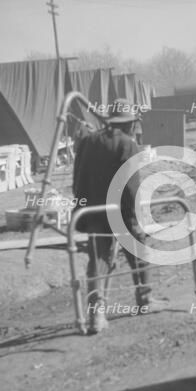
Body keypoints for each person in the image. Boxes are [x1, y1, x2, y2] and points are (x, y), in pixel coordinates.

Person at [73, 98, 163, 334]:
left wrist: (81, 206)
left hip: (92, 210)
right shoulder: (127, 145)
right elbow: (131, 186)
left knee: (98, 261)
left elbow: (78, 177)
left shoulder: (88, 141)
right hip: (120, 212)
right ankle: (145, 299)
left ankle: (96, 315)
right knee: (138, 253)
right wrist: (135, 218)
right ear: (130, 123)